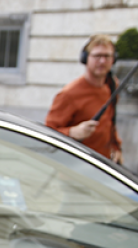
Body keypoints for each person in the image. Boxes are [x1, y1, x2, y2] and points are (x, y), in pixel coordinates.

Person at [45, 34, 123, 163]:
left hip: (105, 164)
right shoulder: (69, 94)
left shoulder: (113, 85)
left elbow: (111, 122)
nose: (102, 61)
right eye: (97, 56)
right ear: (85, 58)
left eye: (107, 56)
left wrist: (116, 148)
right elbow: (48, 132)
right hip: (76, 167)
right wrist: (72, 132)